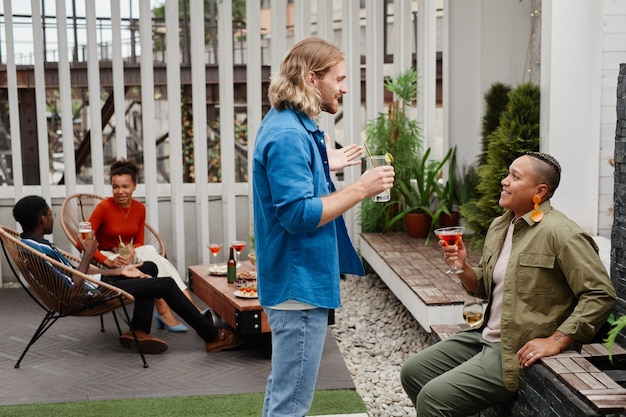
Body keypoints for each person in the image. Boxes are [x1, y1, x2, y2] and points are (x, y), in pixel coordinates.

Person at [400, 152, 617, 416]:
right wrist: (463, 268)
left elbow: (600, 294)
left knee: (433, 400)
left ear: (540, 190)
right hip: (484, 336)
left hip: (512, 348)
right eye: (507, 173)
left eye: (515, 177)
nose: (504, 181)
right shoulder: (500, 226)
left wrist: (557, 340)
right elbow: (482, 286)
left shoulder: (562, 234)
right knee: (413, 372)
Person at [252, 37, 395, 417]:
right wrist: (362, 188)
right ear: (313, 79)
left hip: (297, 280)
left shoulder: (293, 125)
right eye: (340, 78)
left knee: (284, 391)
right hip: (298, 286)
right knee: (291, 402)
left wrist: (322, 164)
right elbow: (297, 215)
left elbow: (293, 181)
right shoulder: (287, 135)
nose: (345, 87)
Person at [13, 195, 243, 354]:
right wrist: (88, 254)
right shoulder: (37, 251)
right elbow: (73, 287)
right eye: (49, 214)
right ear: (43, 219)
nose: (52, 217)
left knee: (149, 268)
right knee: (164, 285)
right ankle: (212, 337)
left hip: (93, 283)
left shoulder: (34, 244)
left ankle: (139, 331)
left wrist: (121, 270)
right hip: (87, 294)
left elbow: (74, 273)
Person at [87, 159, 200, 332]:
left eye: (125, 186)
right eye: (115, 187)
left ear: (134, 186)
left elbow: (139, 240)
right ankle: (186, 311)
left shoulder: (139, 208)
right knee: (153, 255)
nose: (120, 192)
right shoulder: (103, 208)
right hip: (106, 256)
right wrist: (107, 260)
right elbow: (84, 243)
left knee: (149, 250)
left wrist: (131, 249)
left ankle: (172, 311)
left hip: (126, 254)